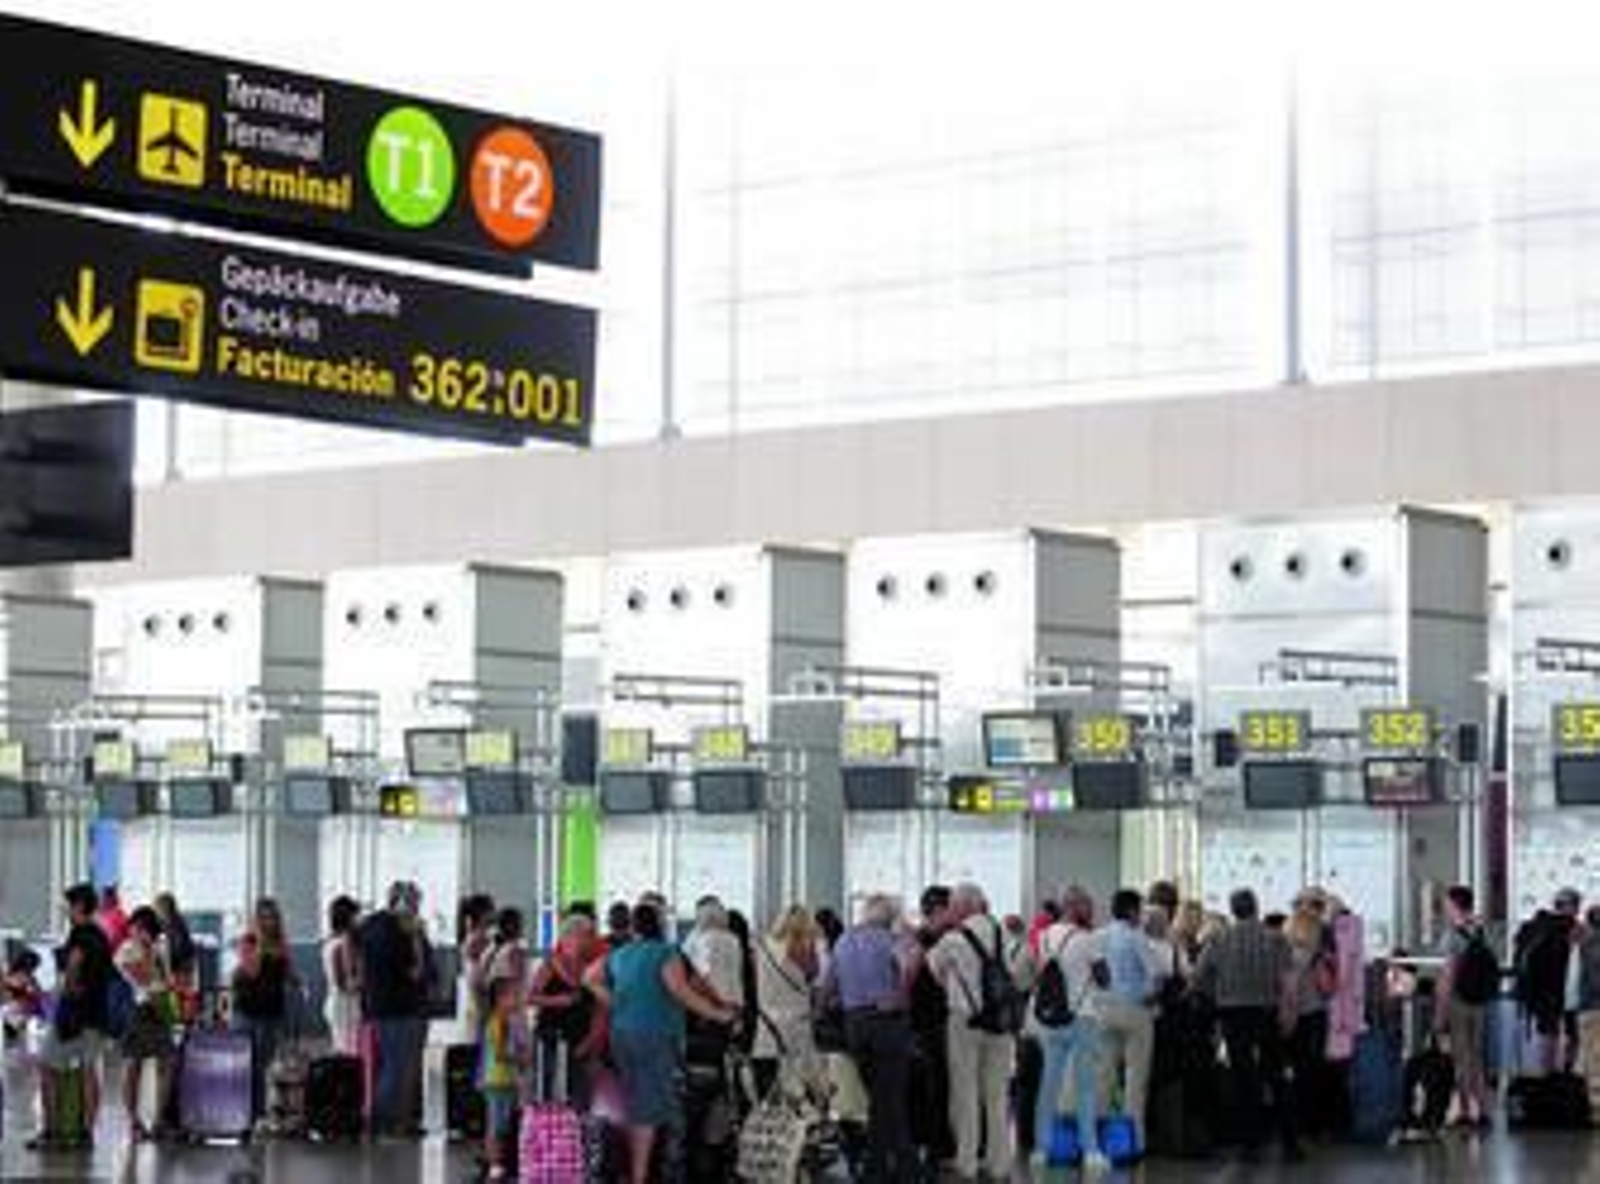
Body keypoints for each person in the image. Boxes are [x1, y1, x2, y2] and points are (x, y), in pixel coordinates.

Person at [584, 900, 738, 1184]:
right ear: (660, 924)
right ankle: (641, 1175)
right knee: (648, 1108)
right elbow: (681, 992)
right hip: (653, 1037)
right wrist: (717, 1014)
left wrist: (614, 1000)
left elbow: (589, 977)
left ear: (633, 926)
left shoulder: (620, 954)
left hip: (622, 1037)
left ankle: (639, 1170)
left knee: (637, 1104)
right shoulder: (665, 953)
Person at [926, 883, 1027, 1182]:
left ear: (962, 907)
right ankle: (1000, 1164)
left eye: (954, 906)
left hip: (964, 1022)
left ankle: (967, 1162)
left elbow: (934, 971)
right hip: (1000, 1022)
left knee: (964, 1093)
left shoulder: (952, 939)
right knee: (997, 1094)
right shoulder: (1003, 933)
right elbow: (1018, 974)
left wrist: (956, 987)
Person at [1193, 888, 1301, 1163]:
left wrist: (1214, 995)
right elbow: (1289, 982)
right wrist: (1289, 1014)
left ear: (1233, 909)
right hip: (1267, 1012)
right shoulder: (1276, 938)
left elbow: (1199, 976)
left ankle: (1250, 1145)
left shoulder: (1218, 938)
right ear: (1256, 907)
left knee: (1243, 1078)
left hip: (1232, 1015)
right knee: (1276, 1076)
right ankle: (1290, 1143)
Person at [823, 893, 920, 1182]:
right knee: (887, 1099)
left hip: (855, 1026)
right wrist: (901, 996)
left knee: (881, 1099)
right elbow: (910, 967)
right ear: (890, 916)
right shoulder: (892, 940)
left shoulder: (843, 941)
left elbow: (829, 986)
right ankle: (886, 1168)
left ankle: (901, 1165)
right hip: (887, 1023)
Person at [1030, 886, 1111, 1176]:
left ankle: (1041, 1148)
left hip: (1052, 1019)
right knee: (1085, 1086)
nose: (1092, 911)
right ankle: (1090, 1151)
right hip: (1082, 1017)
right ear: (1076, 907)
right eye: (1088, 906)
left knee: (1049, 1084)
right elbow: (1104, 980)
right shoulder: (1089, 940)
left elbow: (1041, 971)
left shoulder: (1044, 936)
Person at [31, 882, 115, 1150]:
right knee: (90, 1071)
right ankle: (86, 1133)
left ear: (78, 906)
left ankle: (51, 1131)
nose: (66, 909)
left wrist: (65, 989)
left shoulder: (80, 934)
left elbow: (74, 965)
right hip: (97, 1013)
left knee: (46, 1064)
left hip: (74, 1014)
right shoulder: (101, 935)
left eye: (68, 904)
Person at [357, 880, 435, 1137]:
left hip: (377, 1007)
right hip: (402, 1008)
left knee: (388, 1067)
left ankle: (390, 1120)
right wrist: (415, 937)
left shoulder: (369, 924)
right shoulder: (401, 930)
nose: (416, 908)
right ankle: (386, 1122)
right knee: (398, 1069)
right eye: (414, 902)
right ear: (403, 902)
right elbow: (416, 972)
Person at [1097, 888, 1162, 1149]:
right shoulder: (1137, 938)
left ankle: (1098, 1137)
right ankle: (1132, 1140)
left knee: (1103, 1076)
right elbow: (1156, 976)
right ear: (1132, 911)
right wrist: (1150, 996)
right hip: (1135, 1012)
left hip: (1104, 1010)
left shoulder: (1099, 936)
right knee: (1136, 1077)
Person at [114, 905, 178, 1141]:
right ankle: (134, 1121)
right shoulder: (126, 950)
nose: (137, 932)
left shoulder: (162, 948)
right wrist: (147, 952)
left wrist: (168, 984)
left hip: (160, 1009)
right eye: (135, 928)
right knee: (134, 1066)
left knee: (167, 1061)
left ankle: (159, 1119)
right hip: (137, 1011)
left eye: (143, 929)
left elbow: (166, 979)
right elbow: (144, 977)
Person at [232, 896, 298, 1123]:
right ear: (257, 919)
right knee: (252, 1064)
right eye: (264, 917)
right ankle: (254, 1113)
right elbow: (252, 972)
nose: (269, 922)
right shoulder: (248, 940)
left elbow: (288, 973)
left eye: (273, 917)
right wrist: (260, 943)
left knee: (264, 1063)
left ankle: (258, 1111)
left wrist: (296, 979)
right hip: (249, 1011)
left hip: (272, 1011)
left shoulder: (281, 943)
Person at [529, 905, 604, 1104]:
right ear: (569, 937)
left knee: (580, 1095)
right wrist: (557, 1001)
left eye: (590, 936)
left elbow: (598, 1008)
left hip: (581, 1039)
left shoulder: (592, 966)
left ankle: (575, 1132)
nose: (590, 941)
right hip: (551, 1036)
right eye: (586, 936)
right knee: (547, 1089)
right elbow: (530, 997)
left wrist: (591, 1040)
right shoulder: (550, 964)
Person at [1435, 884, 1494, 1128]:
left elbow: (1448, 975)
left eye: (1447, 903)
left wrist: (1440, 1011)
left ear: (1454, 904)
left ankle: (1466, 1112)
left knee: (1461, 1057)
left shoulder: (1451, 935)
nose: (1444, 908)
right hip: (1480, 1001)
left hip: (1459, 1001)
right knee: (1478, 1057)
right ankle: (1483, 1110)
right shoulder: (1481, 930)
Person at [909, 884, 957, 1177]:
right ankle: (936, 1146)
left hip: (924, 1023)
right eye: (949, 909)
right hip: (931, 1024)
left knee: (934, 1086)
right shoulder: (934, 942)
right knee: (936, 1086)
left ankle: (933, 1144)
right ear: (937, 910)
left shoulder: (914, 940)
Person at [751, 904, 821, 1096]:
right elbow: (813, 975)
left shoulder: (762, 947)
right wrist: (812, 944)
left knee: (769, 1090)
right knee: (798, 1092)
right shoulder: (801, 950)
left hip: (767, 1026)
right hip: (796, 1027)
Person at [1284, 905, 1335, 1139]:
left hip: (1298, 1016)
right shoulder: (1316, 954)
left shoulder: (1289, 954)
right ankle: (1315, 1124)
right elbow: (1328, 989)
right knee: (1314, 1071)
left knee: (1298, 1072)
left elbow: (1291, 991)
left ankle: (1299, 1123)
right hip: (1316, 1015)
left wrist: (1287, 1019)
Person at [478, 975, 531, 1182]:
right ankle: (494, 1165)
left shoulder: (507, 1021)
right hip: (497, 1081)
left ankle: (498, 1163)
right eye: (514, 996)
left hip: (506, 1081)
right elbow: (500, 1053)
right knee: (496, 1126)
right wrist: (521, 1058)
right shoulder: (498, 1022)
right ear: (500, 999)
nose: (518, 999)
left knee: (502, 1125)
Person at [321, 895, 363, 1057]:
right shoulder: (343, 944)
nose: (359, 920)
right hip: (345, 1006)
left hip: (336, 1003)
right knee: (350, 1053)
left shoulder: (329, 943)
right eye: (356, 916)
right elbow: (346, 983)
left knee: (342, 1051)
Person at [457, 893, 497, 1038]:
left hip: (480, 1004)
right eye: (491, 910)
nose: (495, 913)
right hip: (481, 1004)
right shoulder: (477, 938)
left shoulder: (480, 936)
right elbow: (478, 976)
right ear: (482, 914)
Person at [1574, 904, 1600, 1117]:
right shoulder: (1587, 941)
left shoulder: (1586, 943)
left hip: (1590, 1007)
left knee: (1591, 1057)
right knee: (1592, 1056)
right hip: (1593, 1007)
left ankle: (1593, 1104)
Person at [96, 885, 131, 952]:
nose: (102, 901)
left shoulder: (120, 916)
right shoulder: (99, 916)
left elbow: (127, 936)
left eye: (104, 898)